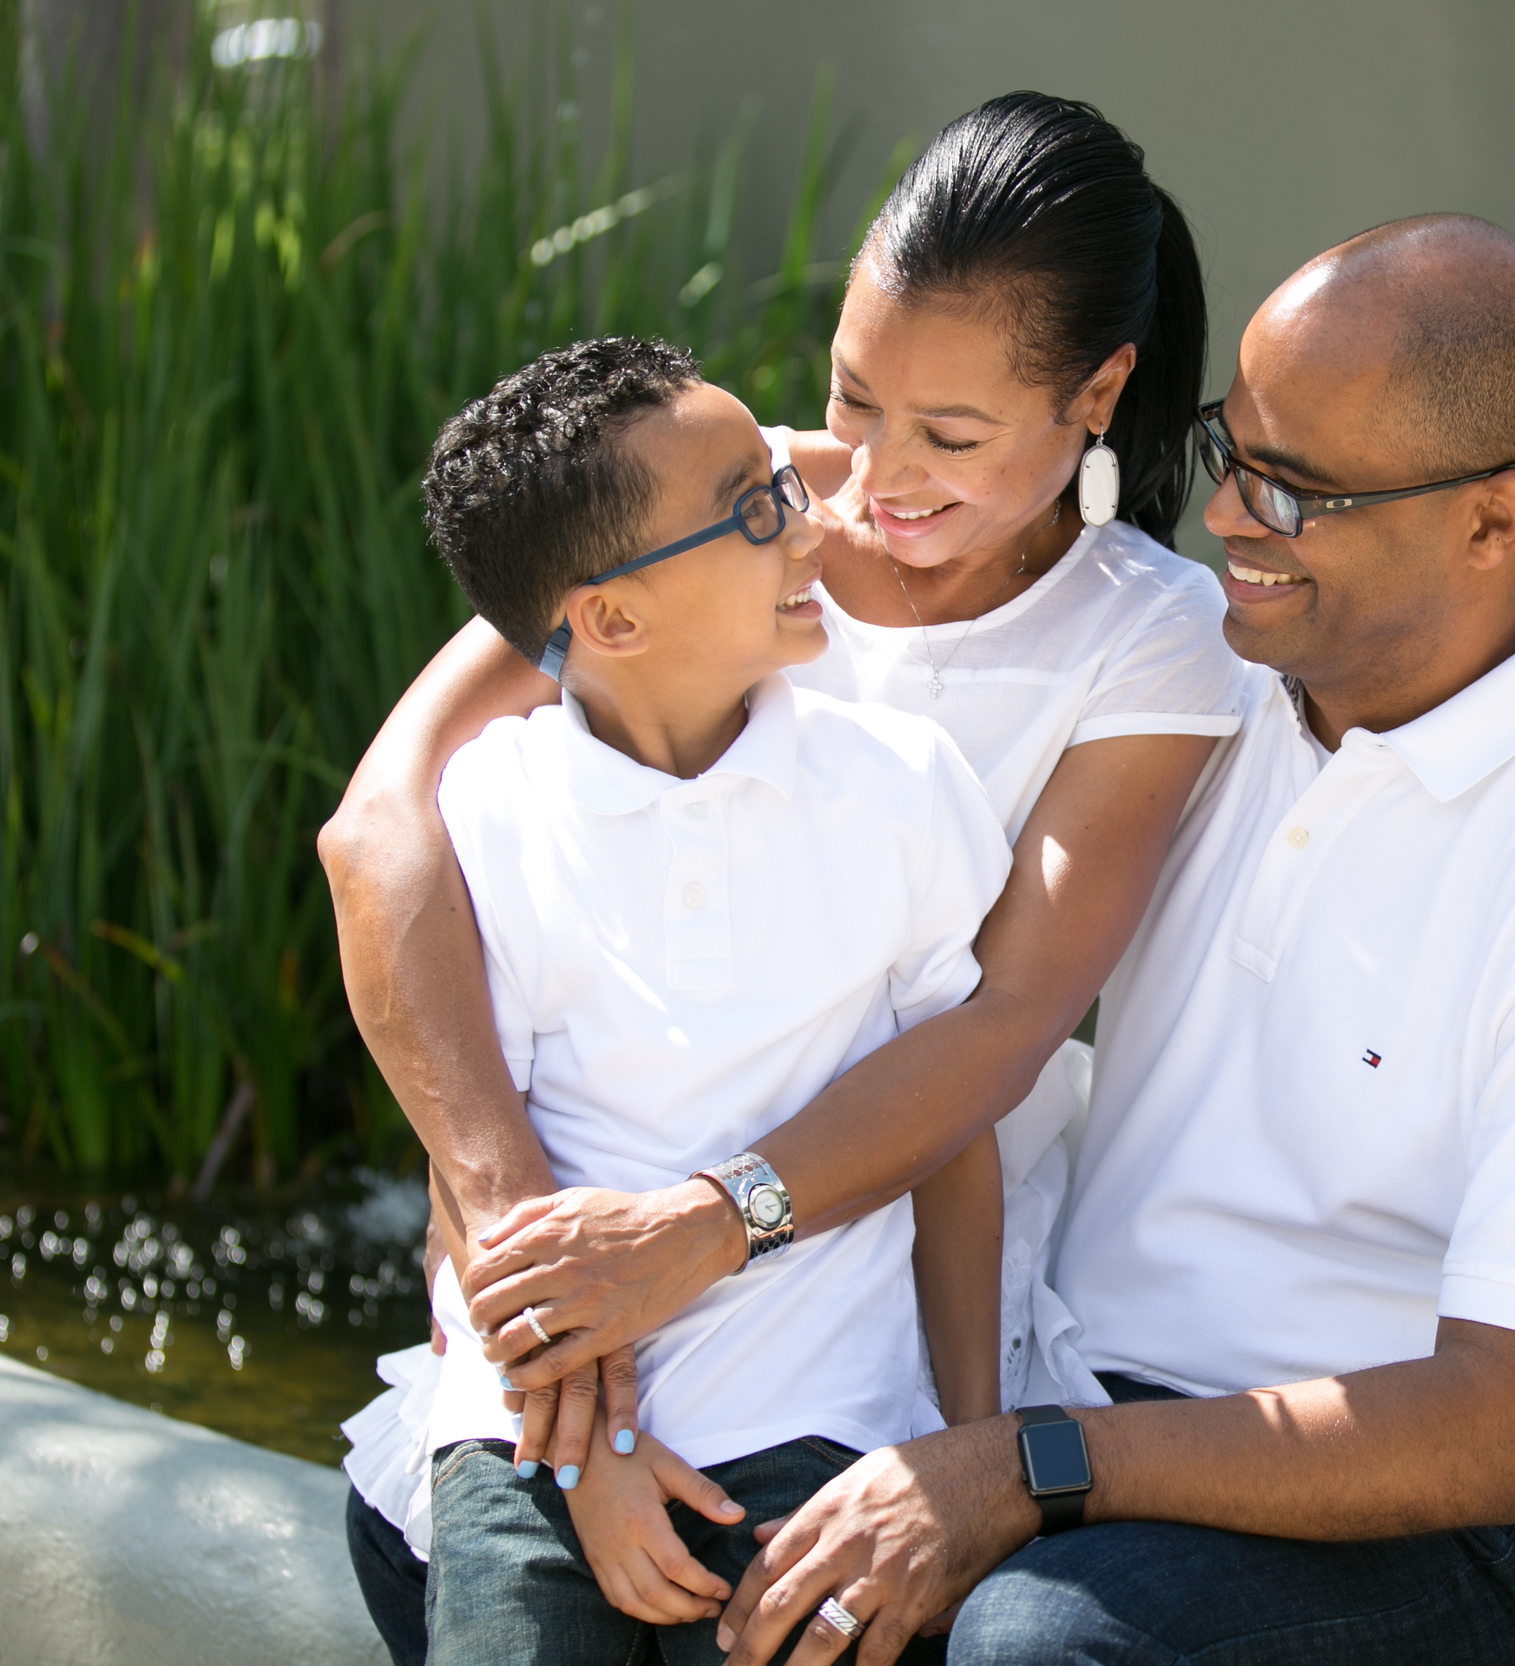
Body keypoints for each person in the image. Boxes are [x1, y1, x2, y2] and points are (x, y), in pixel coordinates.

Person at [708, 215, 1515, 1666]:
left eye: (1296, 490)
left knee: (1033, 1649)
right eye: (1234, 450)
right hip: (1072, 1395)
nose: (1231, 516)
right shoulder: (1185, 685)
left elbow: (1498, 1432)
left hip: (1410, 1523)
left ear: (1493, 520)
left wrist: (1024, 1467)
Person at [321, 92, 1241, 1660]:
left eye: (951, 438)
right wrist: (518, 1247)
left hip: (871, 1289)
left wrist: (708, 1226)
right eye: (852, 395)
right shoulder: (711, 508)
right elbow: (387, 831)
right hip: (577, 1263)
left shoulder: (1149, 637)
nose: (870, 478)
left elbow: (994, 1031)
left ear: (1098, 395)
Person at [392, 335, 1011, 1663]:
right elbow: (472, 1164)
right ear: (609, 618)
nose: (809, 527)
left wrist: (966, 1461)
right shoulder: (490, 816)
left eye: (784, 481)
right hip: (534, 1434)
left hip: (821, 1424)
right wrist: (593, 1454)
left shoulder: (902, 785)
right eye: (754, 508)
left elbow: (950, 1134)